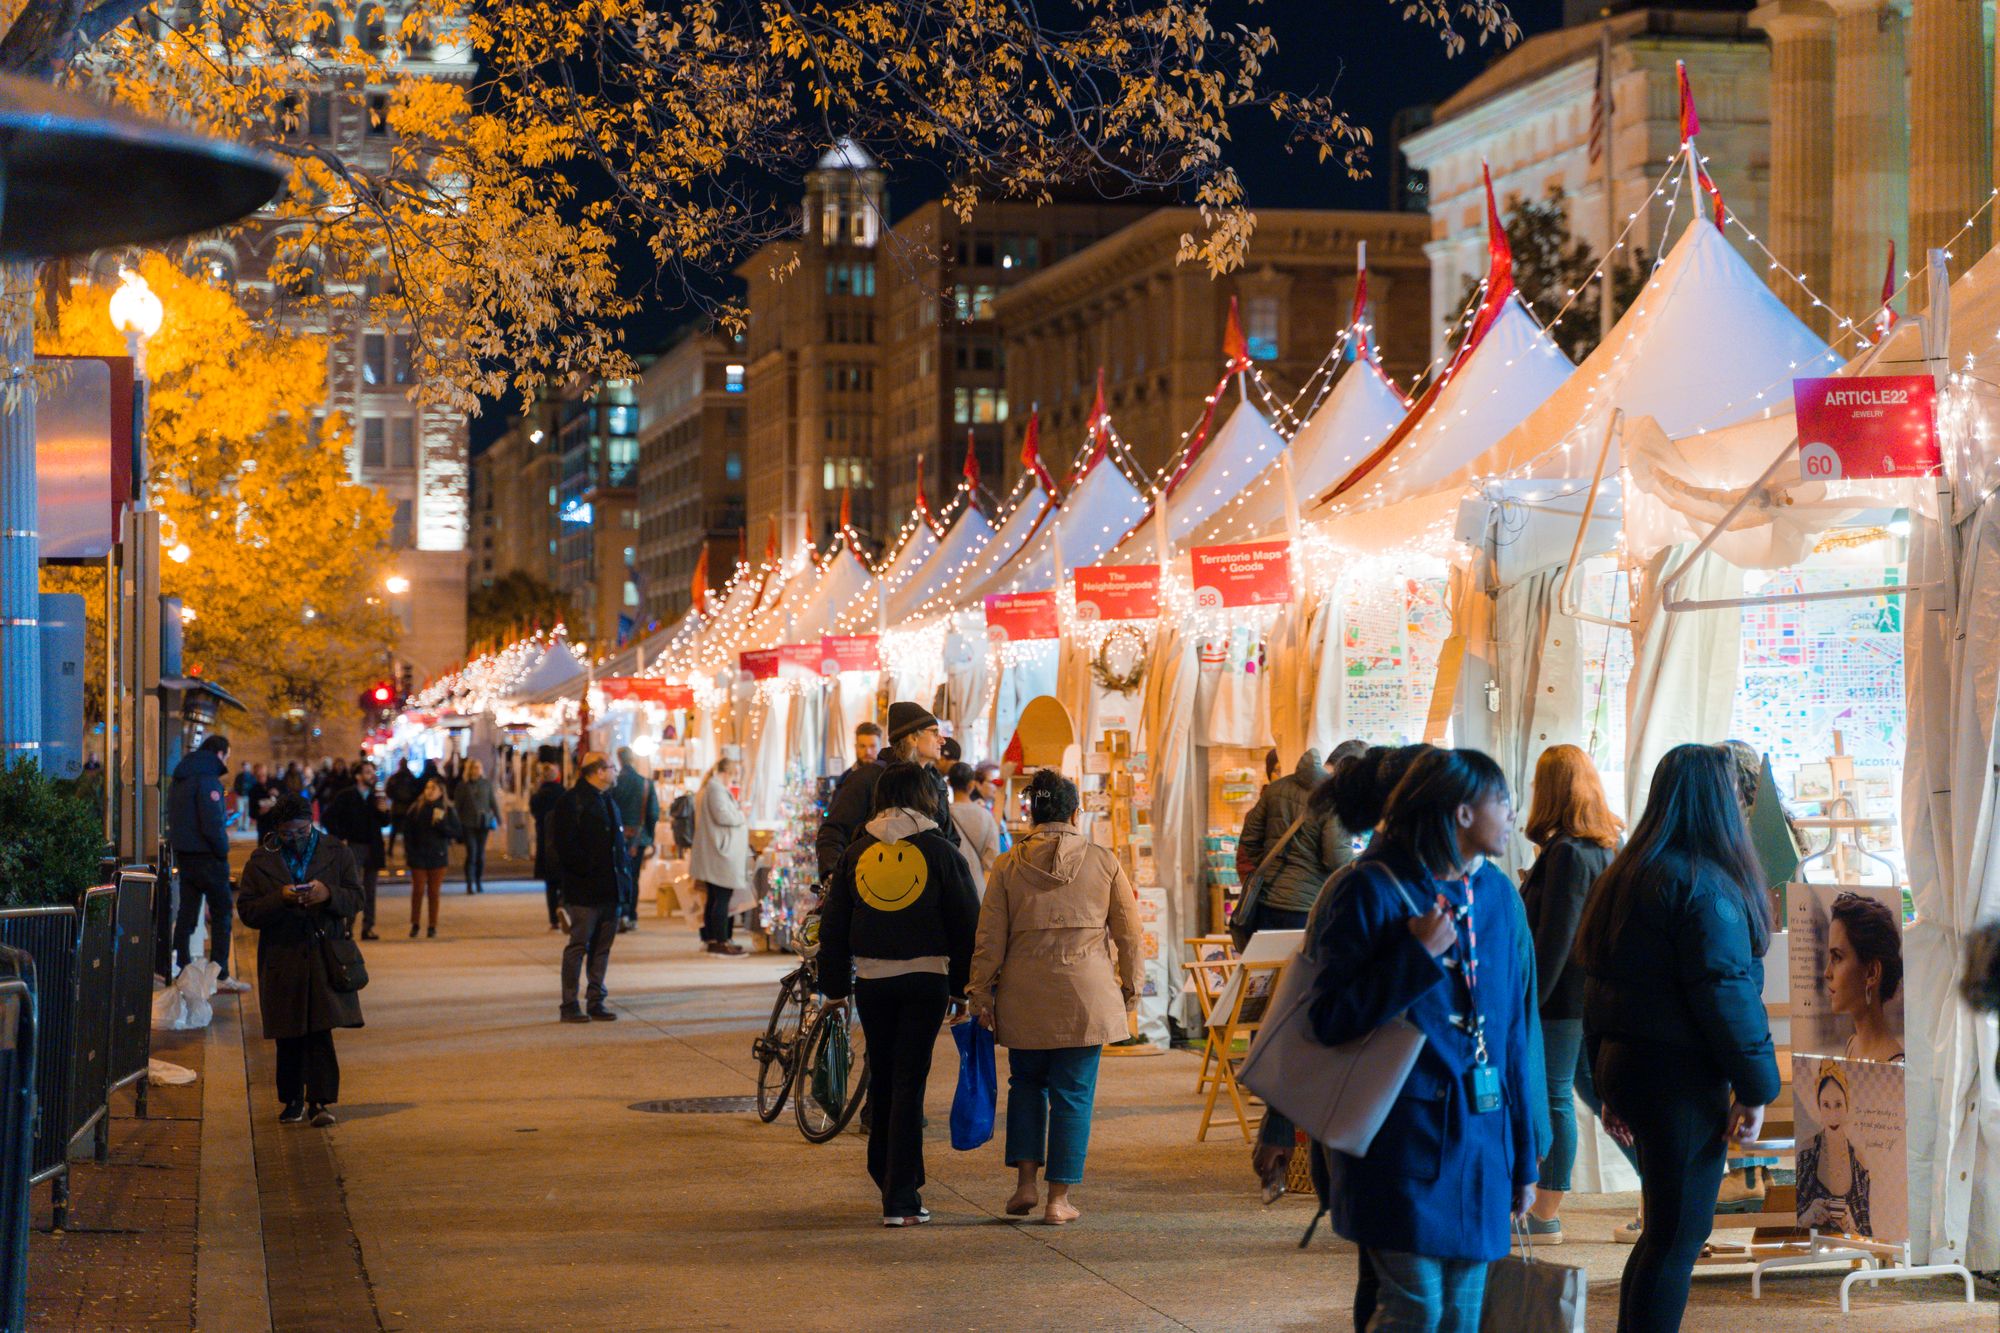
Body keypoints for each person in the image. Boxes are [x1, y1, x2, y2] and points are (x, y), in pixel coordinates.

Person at [1304, 748, 1542, 1332]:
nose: (1513, 812)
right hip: (1398, 1143)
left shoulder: (1495, 898)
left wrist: (1526, 1150)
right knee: (1415, 1310)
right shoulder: (1369, 890)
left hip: (1483, 1137)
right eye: (1501, 799)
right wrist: (1414, 957)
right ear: (1462, 813)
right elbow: (1327, 1019)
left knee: (1462, 1316)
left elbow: (1513, 1031)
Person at [1577, 743, 1780, 1333]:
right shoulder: (1706, 886)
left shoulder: (1626, 874)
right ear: (1722, 803)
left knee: (1664, 1228)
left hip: (1628, 1065)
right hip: (1679, 1077)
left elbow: (1595, 986)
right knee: (1679, 1234)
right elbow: (1726, 995)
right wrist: (1757, 1089)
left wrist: (1603, 1077)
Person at [967, 770, 1141, 1226]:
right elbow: (1130, 933)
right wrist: (1131, 988)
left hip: (1023, 996)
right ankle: (1057, 1201)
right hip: (1087, 998)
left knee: (1026, 1085)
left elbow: (989, 939)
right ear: (1075, 813)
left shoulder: (1006, 866)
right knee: (1073, 1094)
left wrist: (980, 993)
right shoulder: (1104, 861)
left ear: (1033, 813)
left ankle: (1024, 1184)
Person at [817, 761, 981, 1226]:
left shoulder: (858, 851)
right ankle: (901, 1197)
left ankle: (889, 1174)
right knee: (911, 1081)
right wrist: (962, 987)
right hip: (926, 980)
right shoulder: (941, 851)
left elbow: (835, 925)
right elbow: (967, 923)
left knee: (885, 1077)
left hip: (871, 981)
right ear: (928, 797)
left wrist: (833, 988)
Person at [1517, 743, 1625, 1245]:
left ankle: (1545, 1214)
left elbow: (1555, 938)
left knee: (1558, 1094)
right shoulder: (1603, 846)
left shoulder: (1565, 853)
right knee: (1596, 1095)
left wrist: (1526, 1005)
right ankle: (1659, 1194)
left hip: (1561, 1000)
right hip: (1593, 996)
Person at [235, 795, 364, 1126]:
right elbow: (248, 910)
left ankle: (320, 1102)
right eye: (288, 834)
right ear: (277, 831)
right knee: (288, 1031)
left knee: (320, 1029)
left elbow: (356, 897)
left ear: (311, 824)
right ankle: (291, 1099)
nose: (295, 839)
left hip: (324, 952)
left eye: (301, 831)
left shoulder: (336, 852)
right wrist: (280, 898)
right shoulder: (262, 860)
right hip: (283, 953)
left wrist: (328, 894)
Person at [1236, 746, 1358, 938]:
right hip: (1306, 905)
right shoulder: (1335, 799)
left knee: (1268, 965)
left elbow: (1249, 839)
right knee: (1300, 965)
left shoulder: (1275, 789)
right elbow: (1336, 860)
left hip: (1267, 901)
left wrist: (1268, 867)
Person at [168, 734, 251, 993]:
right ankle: (220, 972)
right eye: (226, 756)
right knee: (222, 914)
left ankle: (182, 967)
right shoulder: (208, 781)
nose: (226, 760)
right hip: (209, 858)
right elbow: (212, 823)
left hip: (186, 856)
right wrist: (222, 848)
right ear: (219, 753)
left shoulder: (181, 778)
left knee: (187, 913)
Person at [551, 752, 626, 1022]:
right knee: (578, 945)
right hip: (585, 890)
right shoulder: (571, 802)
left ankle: (596, 999)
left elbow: (617, 846)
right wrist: (585, 870)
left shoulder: (608, 800)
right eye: (611, 768)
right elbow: (563, 847)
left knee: (602, 948)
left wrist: (623, 880)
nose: (616, 772)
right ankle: (569, 1004)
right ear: (599, 772)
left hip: (611, 888)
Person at [1824, 890, 1904, 1063]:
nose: (1827, 973)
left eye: (1837, 957)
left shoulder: (1894, 1063)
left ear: (1871, 973)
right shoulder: (1852, 1044)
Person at [1796, 1060, 1871, 1235]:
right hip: (1811, 1251)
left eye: (1838, 1105)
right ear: (1819, 1108)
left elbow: (1868, 1232)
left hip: (1850, 1250)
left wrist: (1851, 1227)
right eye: (1826, 1105)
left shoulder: (1859, 1161)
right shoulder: (1806, 1152)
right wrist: (1807, 1217)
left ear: (1847, 1106)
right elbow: (1793, 1226)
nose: (1833, 1115)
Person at [322, 760, 390, 941]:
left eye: (373, 772)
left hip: (373, 847)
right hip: (354, 847)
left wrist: (384, 811)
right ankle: (347, 927)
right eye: (368, 772)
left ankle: (368, 927)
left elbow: (384, 822)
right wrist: (340, 837)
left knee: (370, 890)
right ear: (358, 776)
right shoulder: (346, 796)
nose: (372, 775)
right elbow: (328, 817)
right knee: (353, 889)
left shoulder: (376, 797)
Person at [690, 756, 749, 955]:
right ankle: (720, 940)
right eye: (734, 775)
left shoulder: (712, 788)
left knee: (715, 896)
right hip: (721, 853)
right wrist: (742, 815)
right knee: (722, 897)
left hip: (717, 851)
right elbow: (723, 815)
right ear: (727, 773)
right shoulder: (715, 789)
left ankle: (713, 938)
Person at [816, 720, 888, 883]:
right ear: (855, 747)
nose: (867, 751)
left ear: (880, 746)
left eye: (872, 746)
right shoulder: (845, 779)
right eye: (862, 746)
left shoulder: (885, 779)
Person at [402, 775, 462, 938]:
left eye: (433, 788)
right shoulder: (416, 807)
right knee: (418, 890)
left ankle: (432, 925)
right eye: (428, 787)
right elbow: (407, 832)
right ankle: (415, 923)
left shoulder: (447, 809)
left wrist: (442, 826)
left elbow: (457, 832)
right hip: (419, 856)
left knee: (434, 892)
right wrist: (409, 852)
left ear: (441, 791)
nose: (429, 791)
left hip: (438, 855)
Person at [611, 746, 662, 932]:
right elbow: (653, 813)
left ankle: (619, 912)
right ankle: (630, 914)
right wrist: (650, 836)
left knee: (617, 875)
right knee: (633, 876)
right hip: (638, 838)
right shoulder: (645, 783)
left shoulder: (614, 783)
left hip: (616, 836)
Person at [946, 762, 1001, 890]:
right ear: (972, 785)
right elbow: (992, 861)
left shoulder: (943, 816)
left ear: (949, 783)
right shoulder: (985, 816)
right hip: (976, 887)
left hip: (949, 890)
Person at [452, 758, 501, 895]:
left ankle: (478, 881)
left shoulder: (486, 784)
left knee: (480, 854)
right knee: (472, 853)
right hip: (468, 824)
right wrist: (457, 823)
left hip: (483, 823)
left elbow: (492, 802)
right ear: (470, 769)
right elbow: (458, 806)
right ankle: (469, 883)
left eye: (479, 768)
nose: (477, 770)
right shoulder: (463, 786)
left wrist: (499, 819)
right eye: (474, 768)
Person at [529, 762, 568, 931]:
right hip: (562, 838)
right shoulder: (564, 793)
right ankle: (562, 905)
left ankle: (553, 918)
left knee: (550, 883)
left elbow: (534, 812)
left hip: (544, 840)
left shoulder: (538, 795)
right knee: (564, 880)